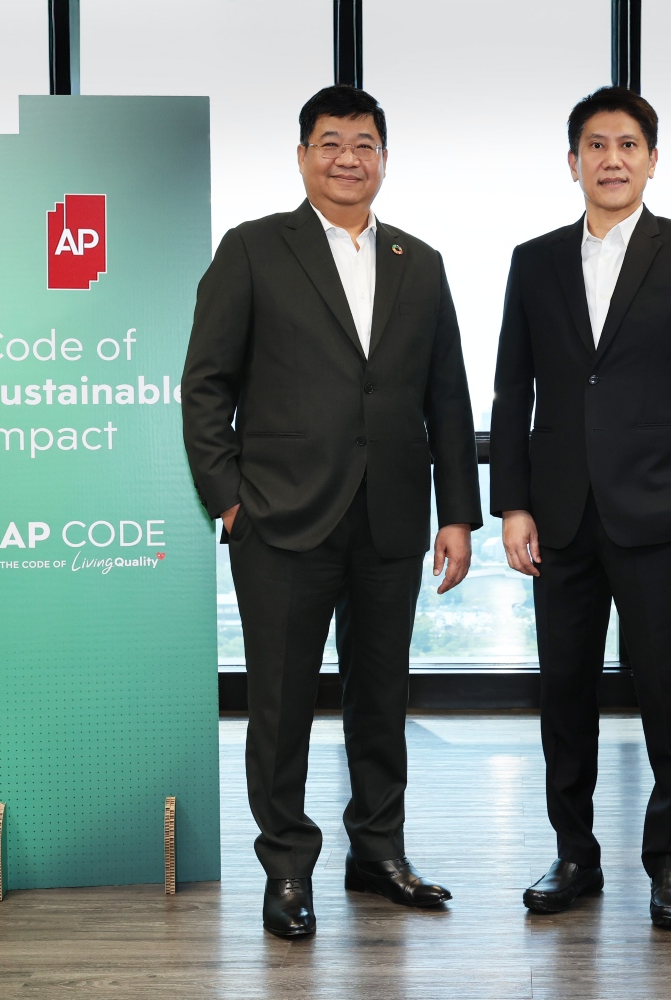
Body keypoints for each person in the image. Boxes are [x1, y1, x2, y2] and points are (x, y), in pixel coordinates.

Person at [181, 85, 481, 939]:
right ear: (303, 155)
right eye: (330, 142)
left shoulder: (420, 261)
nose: (348, 158)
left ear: (384, 157)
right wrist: (229, 502)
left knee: (381, 697)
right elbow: (205, 385)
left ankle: (377, 851)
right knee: (280, 706)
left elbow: (447, 396)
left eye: (364, 144)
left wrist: (458, 514)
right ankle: (286, 867)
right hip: (279, 519)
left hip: (391, 517)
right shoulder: (252, 249)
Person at [490, 86, 671, 929]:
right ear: (573, 162)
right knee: (564, 696)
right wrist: (512, 504)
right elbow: (512, 389)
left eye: (628, 144)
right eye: (595, 145)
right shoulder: (534, 260)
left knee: (669, 694)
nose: (612, 159)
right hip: (559, 517)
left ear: (652, 160)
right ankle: (575, 855)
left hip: (661, 512)